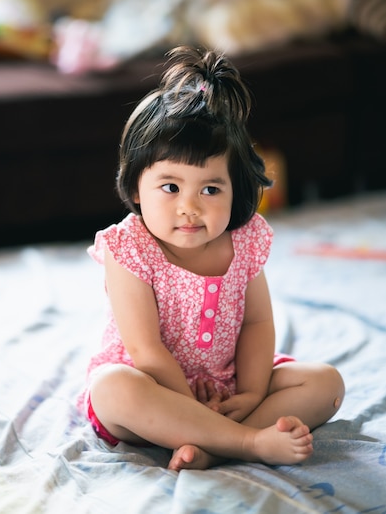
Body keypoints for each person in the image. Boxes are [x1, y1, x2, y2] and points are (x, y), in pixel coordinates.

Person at [80, 45, 345, 471]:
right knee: (112, 389)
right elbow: (145, 350)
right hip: (155, 388)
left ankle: (212, 445)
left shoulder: (244, 241)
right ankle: (247, 442)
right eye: (170, 187)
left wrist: (253, 393)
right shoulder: (128, 247)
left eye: (210, 189)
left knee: (324, 382)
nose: (190, 207)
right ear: (134, 189)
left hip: (227, 383)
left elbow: (258, 322)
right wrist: (190, 408)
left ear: (235, 191)